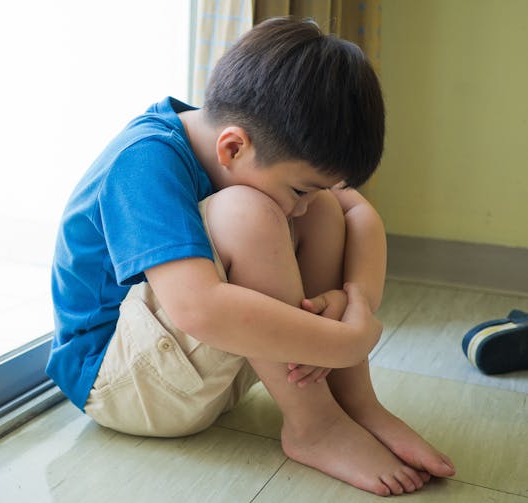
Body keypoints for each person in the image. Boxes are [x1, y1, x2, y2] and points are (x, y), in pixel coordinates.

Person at [48, 16, 455, 497]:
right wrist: (344, 342)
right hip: (121, 385)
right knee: (249, 212)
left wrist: (355, 303)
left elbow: (360, 215)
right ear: (233, 146)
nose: (300, 203)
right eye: (299, 186)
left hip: (205, 369)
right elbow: (197, 308)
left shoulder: (248, 141)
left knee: (324, 209)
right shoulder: (144, 161)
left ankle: (352, 401)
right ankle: (315, 425)